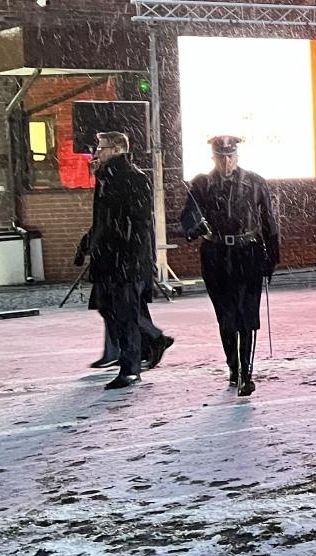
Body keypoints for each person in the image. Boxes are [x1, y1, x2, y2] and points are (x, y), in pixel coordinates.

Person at [179, 134, 278, 396]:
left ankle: (247, 372)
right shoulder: (201, 184)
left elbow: (269, 221)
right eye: (221, 157)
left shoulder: (255, 182)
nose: (226, 161)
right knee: (226, 316)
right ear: (213, 157)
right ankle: (233, 367)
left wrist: (272, 258)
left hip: (248, 253)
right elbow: (187, 215)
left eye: (230, 156)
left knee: (247, 316)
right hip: (216, 254)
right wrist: (194, 227)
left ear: (237, 156)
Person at [87, 131, 168, 391]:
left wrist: (134, 259)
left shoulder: (133, 178)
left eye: (101, 148)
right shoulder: (106, 178)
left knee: (126, 314)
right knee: (108, 308)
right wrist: (90, 244)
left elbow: (139, 223)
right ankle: (149, 344)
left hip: (125, 260)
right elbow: (103, 219)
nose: (97, 152)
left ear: (117, 149)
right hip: (111, 257)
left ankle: (131, 367)